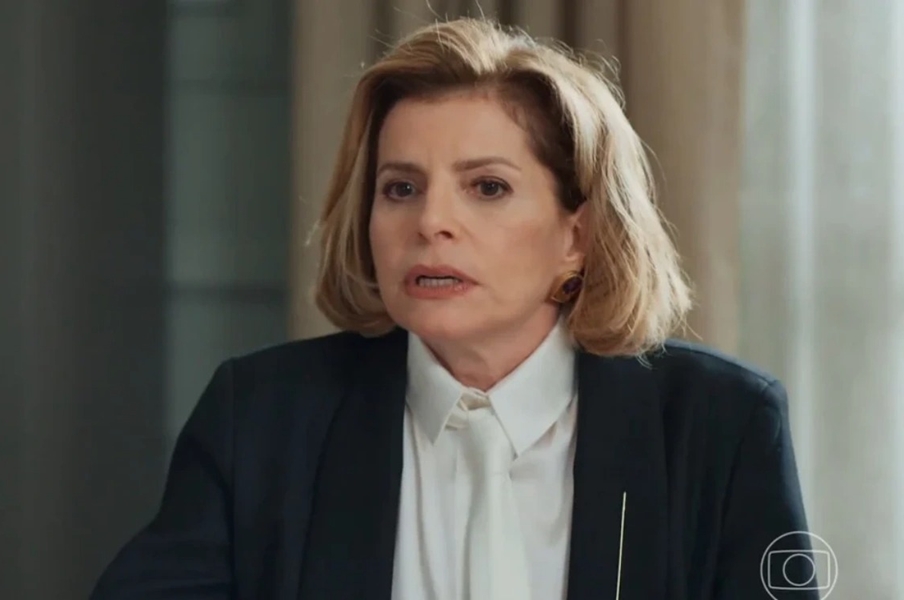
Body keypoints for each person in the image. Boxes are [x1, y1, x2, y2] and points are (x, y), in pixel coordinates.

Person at [91, 17, 818, 600]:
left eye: (487, 188)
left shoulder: (719, 425)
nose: (431, 222)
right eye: (401, 189)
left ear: (578, 235)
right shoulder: (261, 417)